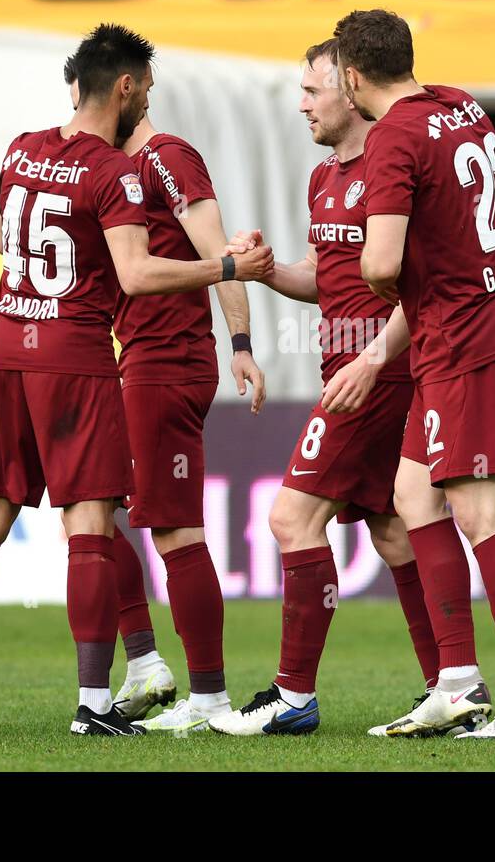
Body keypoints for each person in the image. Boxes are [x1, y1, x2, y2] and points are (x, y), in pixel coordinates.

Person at [0, 24, 273, 739]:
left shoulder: (30, 149)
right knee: (96, 519)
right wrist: (233, 272)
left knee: (9, 514)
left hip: (48, 347)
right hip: (84, 357)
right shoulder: (112, 172)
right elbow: (153, 269)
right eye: (148, 89)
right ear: (127, 88)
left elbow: (199, 237)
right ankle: (114, 692)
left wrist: (239, 340)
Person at [332, 9, 495, 740]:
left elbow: (378, 264)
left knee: (481, 510)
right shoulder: (460, 105)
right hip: (468, 323)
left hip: (468, 334)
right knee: (412, 495)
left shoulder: (392, 137)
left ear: (351, 77)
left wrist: (380, 288)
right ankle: (459, 683)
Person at [206, 38, 443, 738]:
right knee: (393, 530)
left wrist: (371, 360)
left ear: (352, 87)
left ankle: (293, 696)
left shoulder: (391, 168)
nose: (302, 103)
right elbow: (327, 275)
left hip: (378, 374)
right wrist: (268, 270)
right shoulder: (323, 178)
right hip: (350, 371)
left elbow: (419, 284)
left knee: (290, 519)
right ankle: (452, 684)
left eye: (313, 90)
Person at [59, 68, 267, 733]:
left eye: (89, 103)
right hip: (135, 362)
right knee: (85, 511)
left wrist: (239, 341)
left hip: (168, 365)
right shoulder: (118, 172)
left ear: (123, 95)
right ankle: (146, 664)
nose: (81, 117)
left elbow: (221, 252)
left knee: (177, 530)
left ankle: (209, 700)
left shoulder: (168, 159)